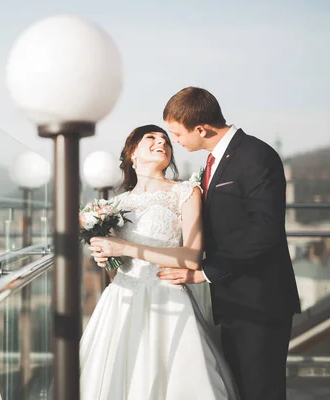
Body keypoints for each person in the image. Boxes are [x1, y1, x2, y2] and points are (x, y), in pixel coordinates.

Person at [159, 87, 301, 400]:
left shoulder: (255, 155)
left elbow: (265, 230)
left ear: (201, 128)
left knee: (260, 390)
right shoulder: (214, 161)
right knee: (239, 388)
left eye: (177, 133)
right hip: (233, 302)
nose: (175, 142)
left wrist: (204, 272)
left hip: (260, 301)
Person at [82, 124, 239, 399]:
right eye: (151, 138)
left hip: (167, 297)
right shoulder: (115, 205)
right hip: (121, 299)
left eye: (166, 140)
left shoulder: (186, 192)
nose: (161, 143)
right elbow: (113, 265)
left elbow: (192, 257)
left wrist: (126, 247)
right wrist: (104, 254)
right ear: (133, 153)